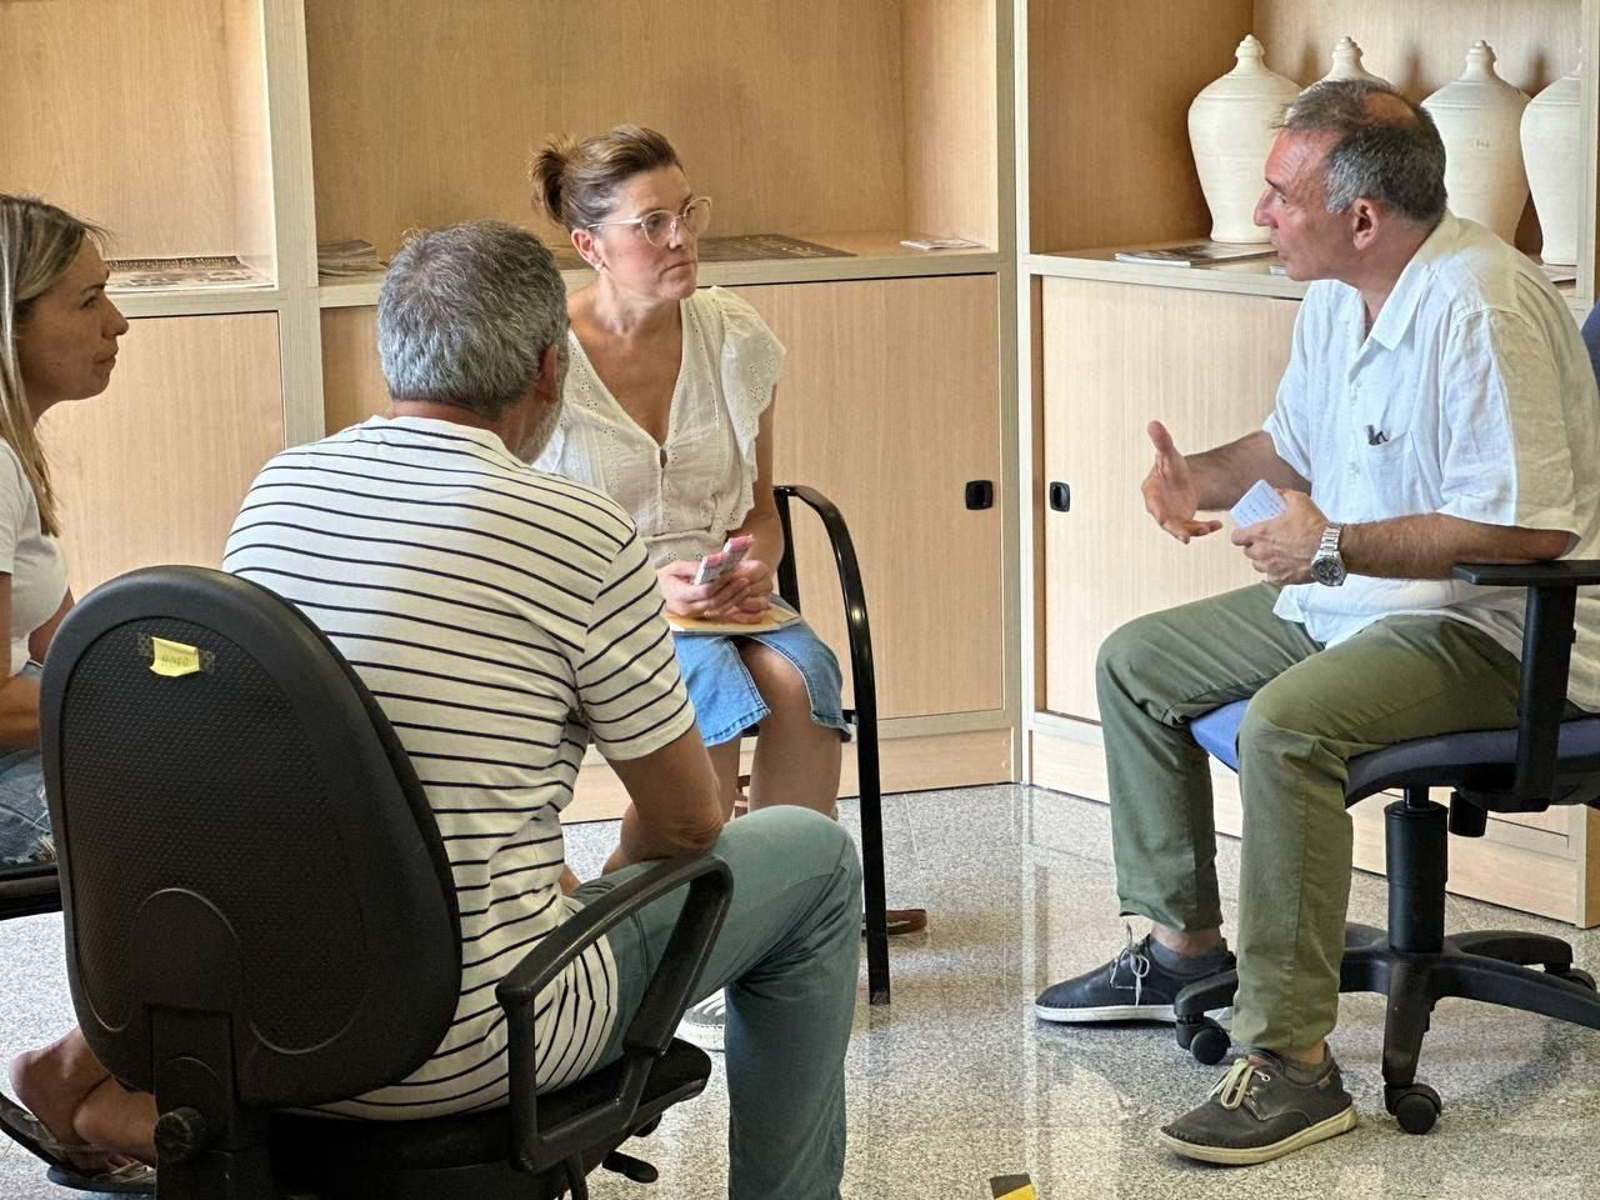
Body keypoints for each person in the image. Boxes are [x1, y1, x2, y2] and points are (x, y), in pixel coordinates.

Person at [9, 220, 861, 1200]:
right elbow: (684, 823)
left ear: (391, 360)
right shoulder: (578, 532)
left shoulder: (281, 490)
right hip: (466, 1045)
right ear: (551, 371)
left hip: (272, 1022)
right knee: (814, 858)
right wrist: (589, 903)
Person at [1033, 79, 1600, 1166]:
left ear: (1361, 217)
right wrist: (1194, 477)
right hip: (1359, 598)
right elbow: (1291, 451)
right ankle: (1183, 945)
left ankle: (1291, 1063)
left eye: (1278, 195)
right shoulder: (1340, 291)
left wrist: (1330, 541)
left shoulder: (1483, 303)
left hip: (1497, 629)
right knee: (1136, 662)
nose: (1258, 216)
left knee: (1284, 726)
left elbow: (1525, 531)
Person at [531, 125, 920, 1045]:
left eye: (687, 213)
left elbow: (761, 508)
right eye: (651, 223)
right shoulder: (542, 359)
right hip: (596, 603)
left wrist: (750, 564)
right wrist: (657, 595)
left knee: (801, 677)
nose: (681, 240)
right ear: (589, 247)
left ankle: (786, 928)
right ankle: (675, 942)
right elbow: (534, 532)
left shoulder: (734, 335)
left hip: (721, 593)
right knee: (709, 691)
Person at [0, 197, 127, 870]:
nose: (119, 324)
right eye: (88, 302)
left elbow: (68, 643)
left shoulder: (13, 452)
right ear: (7, 323)